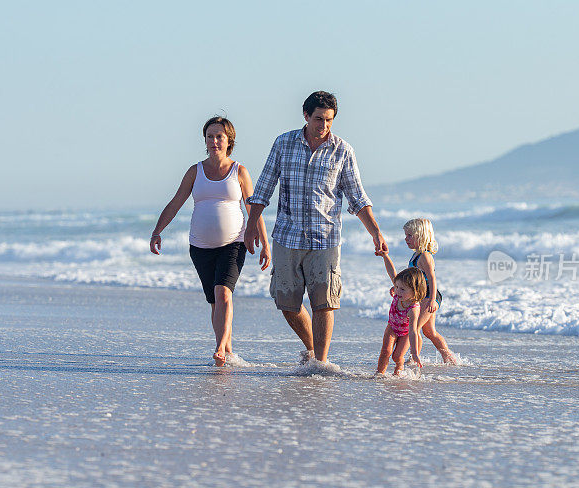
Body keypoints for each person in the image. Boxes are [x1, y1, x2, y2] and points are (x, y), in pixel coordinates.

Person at [244, 91, 387, 364]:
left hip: (326, 238)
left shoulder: (343, 150)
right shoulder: (283, 143)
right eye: (319, 119)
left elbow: (357, 196)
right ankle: (312, 349)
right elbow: (263, 188)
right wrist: (251, 226)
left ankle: (320, 362)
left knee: (324, 303)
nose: (324, 126)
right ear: (306, 116)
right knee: (287, 303)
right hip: (288, 236)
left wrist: (375, 232)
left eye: (329, 120)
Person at [150, 117, 270, 367]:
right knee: (215, 301)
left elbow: (253, 208)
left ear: (229, 141)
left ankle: (219, 349)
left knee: (223, 292)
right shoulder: (195, 171)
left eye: (220, 137)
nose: (214, 141)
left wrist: (265, 244)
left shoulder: (239, 171)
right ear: (204, 140)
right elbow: (176, 202)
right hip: (200, 247)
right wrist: (157, 231)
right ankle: (227, 348)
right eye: (210, 136)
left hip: (234, 242)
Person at [402, 218, 459, 364]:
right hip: (422, 296)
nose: (406, 239)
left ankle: (413, 358)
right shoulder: (415, 254)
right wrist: (398, 286)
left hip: (429, 296)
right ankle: (450, 358)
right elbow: (411, 278)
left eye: (410, 236)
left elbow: (432, 279)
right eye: (406, 235)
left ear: (421, 236)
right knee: (429, 332)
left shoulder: (425, 256)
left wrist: (432, 299)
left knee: (414, 327)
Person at [373, 264, 425, 375]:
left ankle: (398, 370)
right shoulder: (400, 292)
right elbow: (391, 272)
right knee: (385, 351)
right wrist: (385, 256)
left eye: (402, 289)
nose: (397, 291)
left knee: (397, 356)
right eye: (396, 287)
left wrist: (415, 353)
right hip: (392, 327)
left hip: (405, 333)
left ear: (415, 291)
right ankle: (379, 374)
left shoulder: (413, 309)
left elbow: (413, 331)